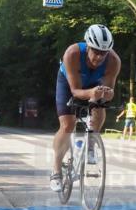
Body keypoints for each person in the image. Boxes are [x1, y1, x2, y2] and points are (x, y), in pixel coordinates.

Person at [51, 24, 121, 191]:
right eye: (95, 51)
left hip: (93, 84)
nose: (99, 57)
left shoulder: (113, 61)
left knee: (99, 107)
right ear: (88, 46)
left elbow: (108, 92)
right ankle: (55, 170)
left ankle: (91, 144)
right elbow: (75, 91)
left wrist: (107, 95)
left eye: (103, 53)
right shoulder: (72, 53)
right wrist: (92, 93)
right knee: (68, 125)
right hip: (69, 84)